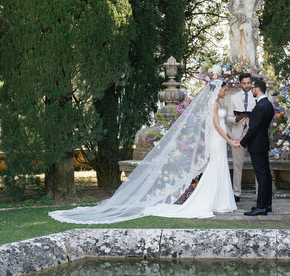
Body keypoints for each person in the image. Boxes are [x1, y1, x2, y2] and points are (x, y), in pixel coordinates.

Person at [49, 80, 239, 223]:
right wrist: (229, 140)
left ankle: (222, 201)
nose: (225, 90)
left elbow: (225, 124)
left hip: (222, 140)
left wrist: (233, 138)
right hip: (216, 140)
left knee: (220, 167)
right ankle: (212, 201)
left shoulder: (221, 105)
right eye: (224, 88)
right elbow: (216, 126)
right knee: (216, 167)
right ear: (217, 90)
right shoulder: (212, 105)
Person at [240, 78, 274, 216]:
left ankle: (261, 207)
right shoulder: (268, 104)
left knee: (261, 176)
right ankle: (266, 205)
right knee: (266, 175)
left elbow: (253, 128)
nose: (251, 89)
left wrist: (242, 142)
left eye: (252, 87)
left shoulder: (261, 106)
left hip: (257, 145)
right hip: (262, 144)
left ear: (257, 89)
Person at [226, 73, 256, 201]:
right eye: (244, 83)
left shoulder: (256, 96)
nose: (246, 85)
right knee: (237, 164)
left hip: (253, 133)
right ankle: (236, 193)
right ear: (240, 83)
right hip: (238, 134)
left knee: (257, 164)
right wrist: (236, 119)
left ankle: (259, 194)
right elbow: (228, 117)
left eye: (248, 83)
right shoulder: (233, 97)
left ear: (251, 82)